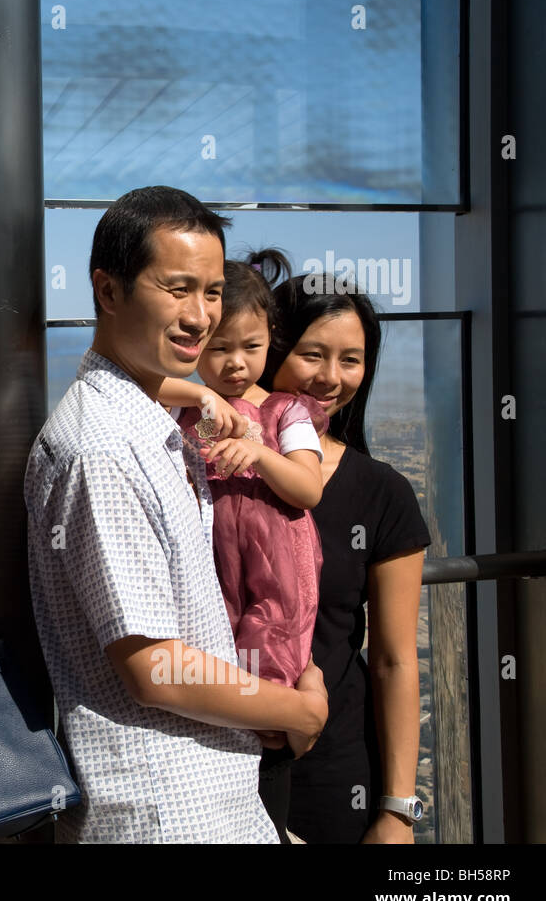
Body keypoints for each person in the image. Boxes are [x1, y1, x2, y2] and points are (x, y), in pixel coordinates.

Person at [24, 186, 329, 843]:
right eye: (178, 288)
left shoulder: (148, 424)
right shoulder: (101, 449)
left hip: (202, 798)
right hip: (162, 808)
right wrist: (295, 711)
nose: (201, 316)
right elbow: (153, 666)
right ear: (108, 291)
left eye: (213, 292)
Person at [157, 249, 328, 842]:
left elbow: (308, 488)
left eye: (250, 347)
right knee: (221, 674)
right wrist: (201, 401)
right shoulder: (188, 411)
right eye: (219, 348)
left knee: (272, 666)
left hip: (278, 572)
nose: (234, 364)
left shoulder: (286, 412)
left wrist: (260, 453)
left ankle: (273, 802)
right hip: (214, 572)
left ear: (270, 341)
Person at [261, 273, 430, 844]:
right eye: (312, 354)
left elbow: (393, 660)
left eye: (351, 360)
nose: (331, 378)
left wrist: (397, 810)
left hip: (336, 766)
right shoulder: (219, 464)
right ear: (272, 347)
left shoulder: (381, 493)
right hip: (217, 748)